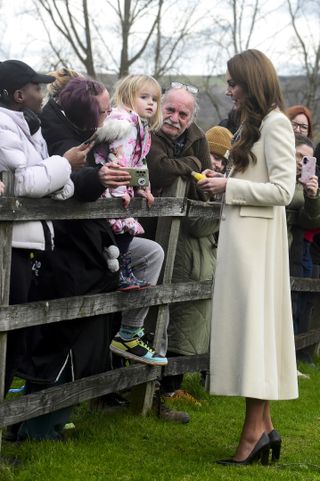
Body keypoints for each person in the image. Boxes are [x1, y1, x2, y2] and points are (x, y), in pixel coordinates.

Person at [197, 49, 298, 465]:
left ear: (251, 83)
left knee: (255, 340)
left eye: (234, 82)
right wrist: (224, 182)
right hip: (243, 246)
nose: (228, 89)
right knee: (252, 337)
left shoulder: (276, 125)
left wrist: (229, 188)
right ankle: (267, 429)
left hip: (258, 252)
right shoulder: (250, 127)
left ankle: (252, 435)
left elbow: (284, 191)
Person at [41, 76, 166, 368]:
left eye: (154, 99)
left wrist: (142, 186)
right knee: (119, 237)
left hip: (110, 198)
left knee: (149, 251)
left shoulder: (139, 126)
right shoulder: (121, 123)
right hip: (99, 207)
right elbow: (116, 159)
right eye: (144, 97)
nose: (150, 103)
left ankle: (128, 332)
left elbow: (138, 162)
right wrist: (121, 191)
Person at [0, 59, 89, 397]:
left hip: (27, 241)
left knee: (15, 337)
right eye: (37, 87)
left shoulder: (27, 123)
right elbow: (22, 182)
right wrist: (64, 164)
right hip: (11, 244)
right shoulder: (3, 125)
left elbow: (45, 179)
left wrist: (59, 176)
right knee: (6, 337)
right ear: (18, 94)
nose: (44, 92)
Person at [145, 82, 216, 422]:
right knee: (142, 311)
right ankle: (131, 391)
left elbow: (204, 185)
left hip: (179, 236)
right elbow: (156, 169)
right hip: (144, 232)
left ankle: (158, 391)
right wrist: (189, 165)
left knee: (170, 309)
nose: (173, 118)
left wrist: (188, 168)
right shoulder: (149, 130)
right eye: (169, 109)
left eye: (182, 113)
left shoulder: (197, 136)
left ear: (190, 118)